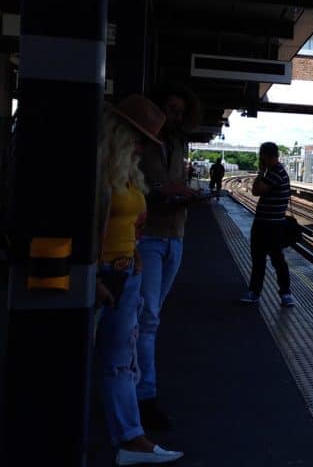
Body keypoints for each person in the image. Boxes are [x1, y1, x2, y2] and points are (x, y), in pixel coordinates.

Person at [96, 95, 184, 465]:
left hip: (124, 274)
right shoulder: (97, 171)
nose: (144, 146)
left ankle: (131, 439)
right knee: (102, 359)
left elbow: (130, 224)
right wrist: (91, 278)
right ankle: (126, 438)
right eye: (140, 138)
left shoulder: (127, 172)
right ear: (118, 133)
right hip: (100, 278)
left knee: (120, 361)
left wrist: (134, 260)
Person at [136, 86, 200, 430]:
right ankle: (144, 396)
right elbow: (135, 185)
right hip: (147, 238)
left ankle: (138, 386)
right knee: (147, 320)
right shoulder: (142, 145)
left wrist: (183, 194)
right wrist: (166, 192)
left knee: (151, 317)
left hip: (175, 236)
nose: (174, 116)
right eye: (169, 109)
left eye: (179, 111)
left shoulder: (178, 144)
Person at [240, 142, 295, 307]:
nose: (261, 160)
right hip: (269, 224)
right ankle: (271, 293)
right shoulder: (275, 171)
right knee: (268, 260)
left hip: (270, 226)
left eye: (262, 157)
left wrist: (260, 172)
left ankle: (282, 293)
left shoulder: (275, 173)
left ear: (268, 156)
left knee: (270, 261)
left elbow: (256, 190)